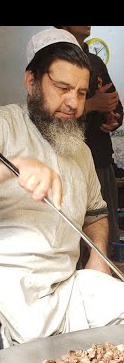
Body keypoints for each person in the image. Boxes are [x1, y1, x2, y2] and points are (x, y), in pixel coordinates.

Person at [0, 28, 124, 348]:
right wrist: (9, 167)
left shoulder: (80, 150)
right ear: (32, 82)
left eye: (80, 92)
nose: (73, 103)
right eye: (62, 87)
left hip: (63, 295)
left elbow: (96, 213)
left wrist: (97, 256)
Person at [56, 26, 123, 258]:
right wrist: (93, 104)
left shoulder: (95, 62)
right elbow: (48, 113)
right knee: (69, 240)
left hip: (100, 158)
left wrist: (112, 117)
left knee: (102, 240)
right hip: (66, 161)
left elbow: (116, 105)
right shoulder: (54, 59)